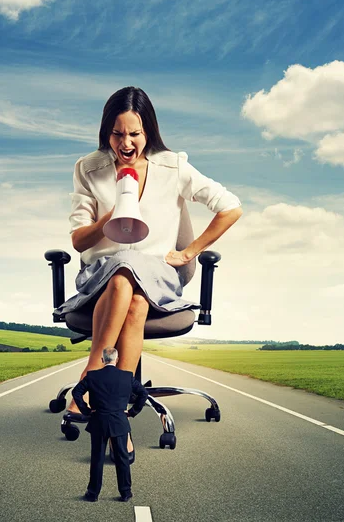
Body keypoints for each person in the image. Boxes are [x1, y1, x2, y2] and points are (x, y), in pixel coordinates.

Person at [57, 86, 243, 453]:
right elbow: (79, 242)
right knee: (126, 275)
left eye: (134, 133)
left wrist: (191, 251)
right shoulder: (88, 169)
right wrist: (111, 216)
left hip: (158, 274)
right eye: (117, 133)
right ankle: (116, 417)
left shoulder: (173, 167)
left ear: (148, 132)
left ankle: (91, 381)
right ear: (105, 131)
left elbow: (231, 207)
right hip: (101, 275)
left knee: (133, 276)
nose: (125, 142)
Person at [72, 347, 148, 502]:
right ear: (117, 359)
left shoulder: (92, 376)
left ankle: (93, 494)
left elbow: (76, 392)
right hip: (119, 421)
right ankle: (125, 493)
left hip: (98, 421)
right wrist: (133, 412)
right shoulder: (127, 376)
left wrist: (86, 410)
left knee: (97, 459)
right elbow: (143, 393)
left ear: (102, 360)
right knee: (122, 459)